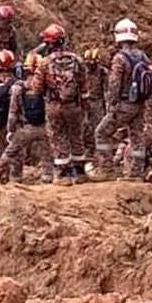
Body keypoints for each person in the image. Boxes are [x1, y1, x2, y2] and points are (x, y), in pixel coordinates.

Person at [93, 18, 149, 181]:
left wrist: (111, 105)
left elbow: (114, 84)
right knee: (137, 138)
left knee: (101, 133)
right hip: (140, 103)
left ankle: (107, 170)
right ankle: (136, 174)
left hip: (124, 104)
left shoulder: (120, 58)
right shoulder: (143, 56)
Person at [30, 24, 87, 185]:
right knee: (76, 136)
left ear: (49, 43)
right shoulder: (77, 60)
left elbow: (37, 88)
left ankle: (63, 175)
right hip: (74, 105)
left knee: (57, 136)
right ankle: (80, 173)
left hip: (54, 106)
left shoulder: (45, 63)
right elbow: (84, 85)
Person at [0, 51, 50, 183]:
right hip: (44, 127)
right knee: (48, 154)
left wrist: (10, 130)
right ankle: (47, 177)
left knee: (11, 151)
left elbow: (13, 112)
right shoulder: (47, 87)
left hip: (26, 128)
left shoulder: (19, 87)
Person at [82, 47, 108, 154]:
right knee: (85, 126)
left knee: (98, 125)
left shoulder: (103, 72)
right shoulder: (83, 71)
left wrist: (107, 104)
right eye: (88, 63)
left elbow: (107, 89)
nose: (90, 65)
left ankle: (100, 150)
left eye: (92, 63)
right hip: (84, 102)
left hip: (97, 101)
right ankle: (88, 148)